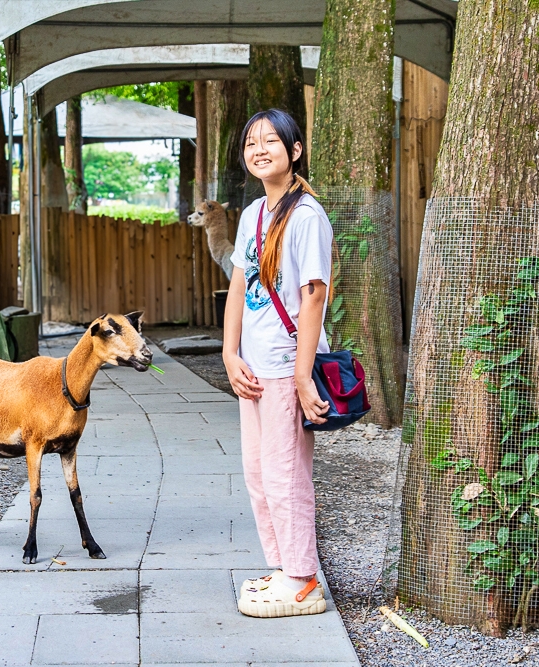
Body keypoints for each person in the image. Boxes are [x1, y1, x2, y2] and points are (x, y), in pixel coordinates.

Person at [222, 108, 333, 618]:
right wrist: (229, 352)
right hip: (253, 365)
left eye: (271, 141)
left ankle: (304, 577)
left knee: (287, 473)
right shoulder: (253, 215)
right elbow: (239, 286)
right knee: (258, 472)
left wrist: (303, 375)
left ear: (295, 151)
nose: (259, 149)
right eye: (251, 143)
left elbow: (314, 296)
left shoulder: (306, 215)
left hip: (288, 365)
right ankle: (282, 566)